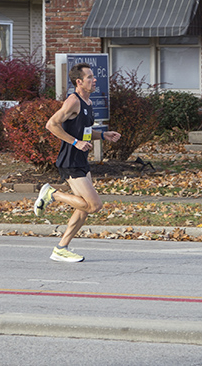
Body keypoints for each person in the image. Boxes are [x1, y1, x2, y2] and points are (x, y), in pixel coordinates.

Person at [35, 62, 121, 262]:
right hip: (71, 160)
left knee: (83, 209)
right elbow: (51, 124)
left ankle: (61, 248)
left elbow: (85, 133)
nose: (94, 80)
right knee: (94, 205)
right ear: (79, 82)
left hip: (81, 159)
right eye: (89, 77)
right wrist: (75, 142)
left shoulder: (88, 103)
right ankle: (52, 194)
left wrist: (103, 135)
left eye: (93, 76)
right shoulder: (73, 101)